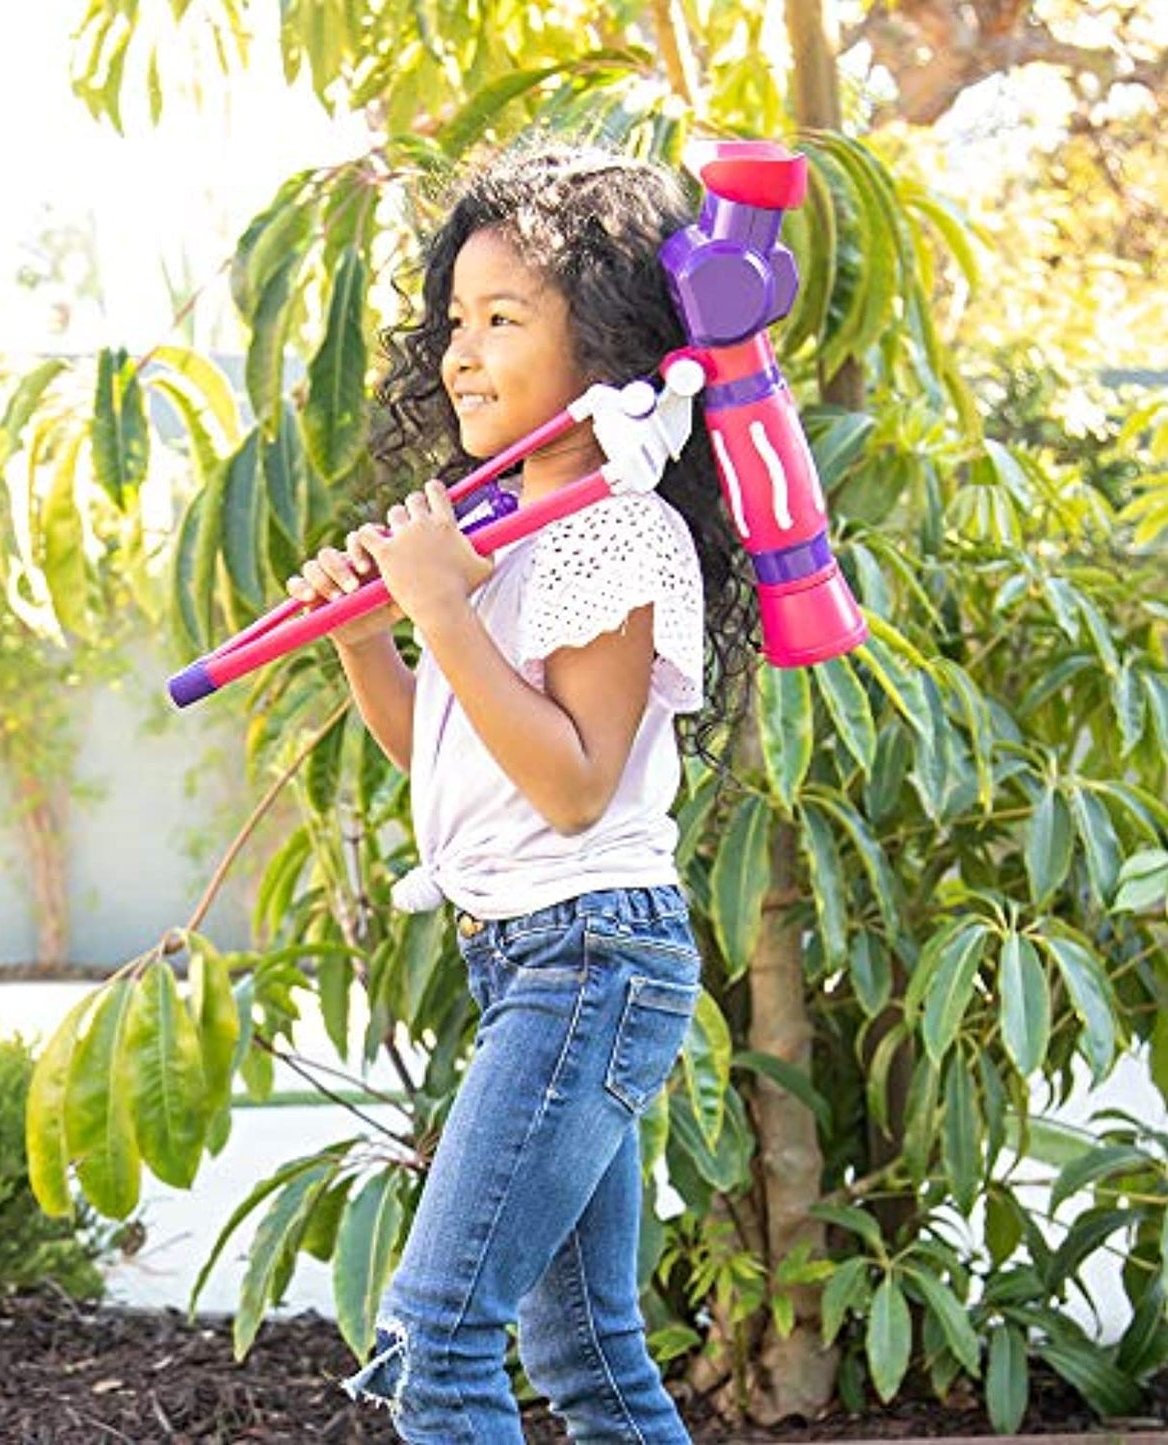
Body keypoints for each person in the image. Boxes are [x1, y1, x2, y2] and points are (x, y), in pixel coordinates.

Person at [285, 143, 758, 1444]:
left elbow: (571, 784)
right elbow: (449, 753)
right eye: (454, 321)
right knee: (586, 1354)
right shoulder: (497, 532)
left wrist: (439, 606)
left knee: (434, 1347)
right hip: (532, 961)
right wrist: (368, 635)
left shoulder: (616, 528)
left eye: (503, 319)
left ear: (606, 341)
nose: (462, 353)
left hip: (590, 957)